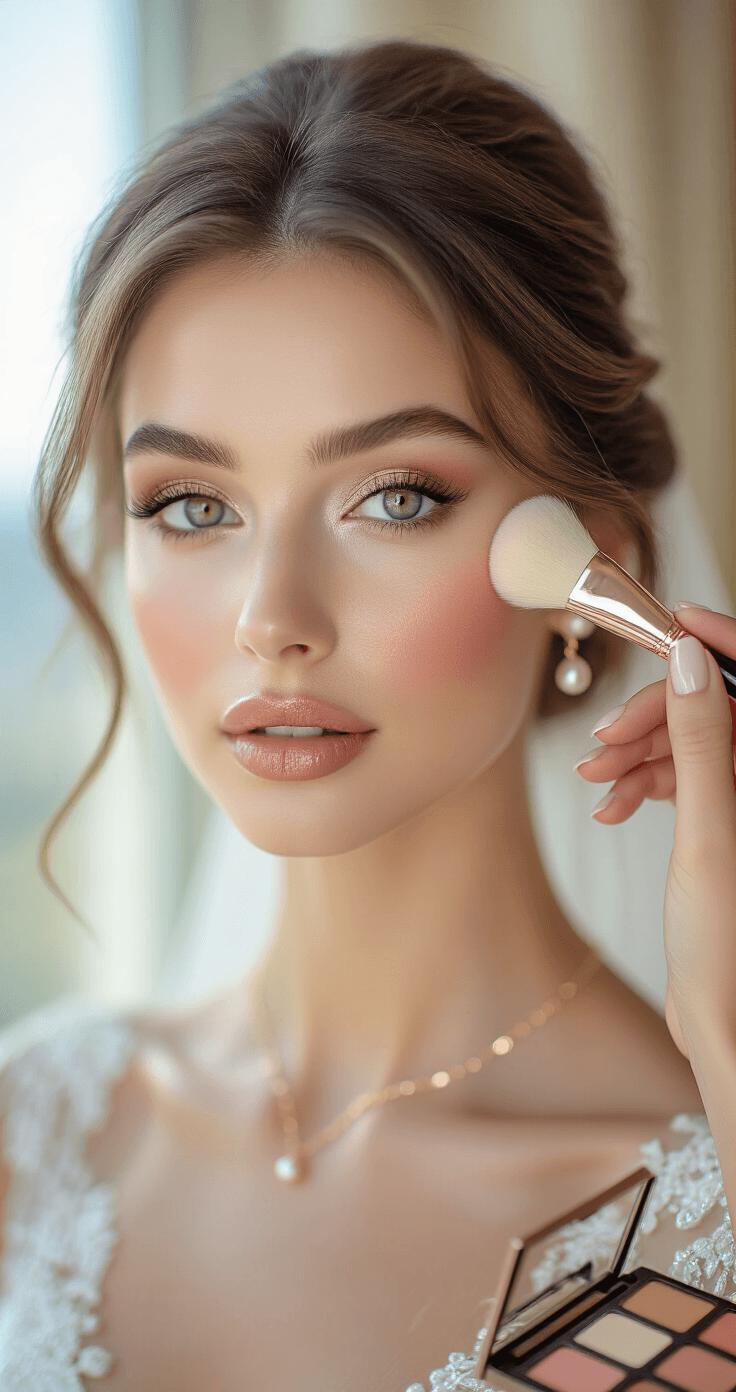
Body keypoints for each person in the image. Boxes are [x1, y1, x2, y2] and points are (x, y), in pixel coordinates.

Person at [1, 39, 735, 1392]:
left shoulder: (702, 1234)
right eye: (191, 505)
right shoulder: (27, 1134)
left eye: (395, 495)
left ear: (594, 564)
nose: (271, 616)